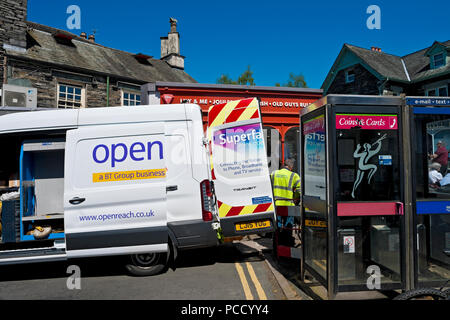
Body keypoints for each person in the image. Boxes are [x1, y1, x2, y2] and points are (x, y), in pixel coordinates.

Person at [270, 158, 300, 246]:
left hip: (276, 205)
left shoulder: (274, 174)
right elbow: (300, 190)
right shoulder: (294, 175)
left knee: (277, 227)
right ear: (291, 167)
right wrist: (295, 198)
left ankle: (277, 246)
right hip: (288, 205)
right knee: (288, 227)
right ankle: (287, 245)